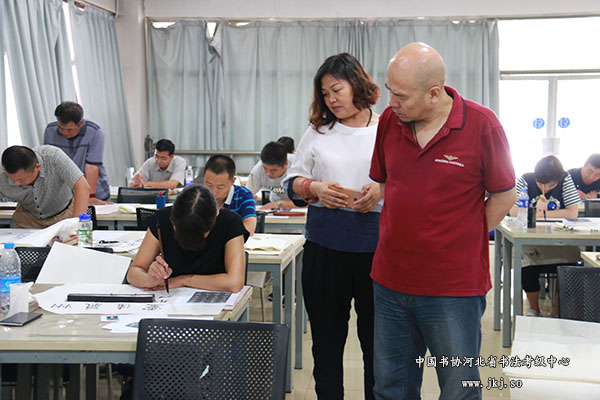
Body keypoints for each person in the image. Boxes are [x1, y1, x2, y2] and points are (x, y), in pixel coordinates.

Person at [369, 42, 516, 399]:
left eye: (401, 96)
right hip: (391, 282)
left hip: (453, 289)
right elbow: (386, 181)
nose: (391, 103)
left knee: (457, 389)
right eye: (389, 91)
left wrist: (460, 236)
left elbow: (504, 195)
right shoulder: (390, 121)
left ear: (434, 93)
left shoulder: (482, 125)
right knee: (390, 387)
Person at [282, 52, 382, 400]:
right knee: (326, 346)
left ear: (357, 84)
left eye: (337, 90)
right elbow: (292, 182)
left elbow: (409, 181)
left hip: (376, 253)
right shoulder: (318, 131)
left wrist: (382, 190)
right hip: (325, 250)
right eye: (325, 94)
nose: (331, 100)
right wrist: (315, 188)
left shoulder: (386, 128)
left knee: (377, 349)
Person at [127, 184, 245, 292]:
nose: (190, 239)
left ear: (216, 216)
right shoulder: (162, 220)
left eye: (198, 234)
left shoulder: (230, 223)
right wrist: (151, 279)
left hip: (216, 299)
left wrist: (183, 280)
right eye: (182, 231)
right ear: (172, 217)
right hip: (169, 298)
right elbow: (134, 272)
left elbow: (234, 283)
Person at [509, 155, 581, 317]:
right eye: (541, 184)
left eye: (551, 185)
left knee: (569, 266)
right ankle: (534, 309)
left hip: (560, 242)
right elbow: (513, 211)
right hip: (530, 241)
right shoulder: (526, 179)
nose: (545, 188)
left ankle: (556, 311)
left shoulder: (565, 179)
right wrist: (539, 211)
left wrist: (542, 214)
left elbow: (572, 212)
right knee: (525, 265)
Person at [0, 145, 90, 229]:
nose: (16, 184)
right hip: (28, 218)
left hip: (64, 215)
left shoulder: (53, 157)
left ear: (37, 167)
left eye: (21, 180)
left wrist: (75, 225)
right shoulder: (2, 174)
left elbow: (82, 186)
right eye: (11, 179)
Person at [43, 101, 110, 205]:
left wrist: (90, 196)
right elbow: (49, 164)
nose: (65, 133)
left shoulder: (94, 131)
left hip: (94, 191)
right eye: (61, 128)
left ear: (81, 123)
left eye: (70, 130)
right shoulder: (50, 130)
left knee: (87, 215)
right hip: (65, 194)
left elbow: (91, 166)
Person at [203, 155, 257, 236]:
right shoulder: (197, 195)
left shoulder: (244, 195)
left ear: (232, 181)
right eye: (209, 185)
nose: (213, 192)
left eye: (220, 187)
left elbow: (249, 229)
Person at [249, 141, 295, 210]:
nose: (268, 174)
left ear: (286, 163)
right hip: (275, 206)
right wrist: (249, 199)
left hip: (299, 208)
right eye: (265, 169)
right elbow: (248, 194)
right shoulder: (258, 170)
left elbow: (310, 202)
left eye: (273, 170)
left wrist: (280, 204)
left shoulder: (298, 166)